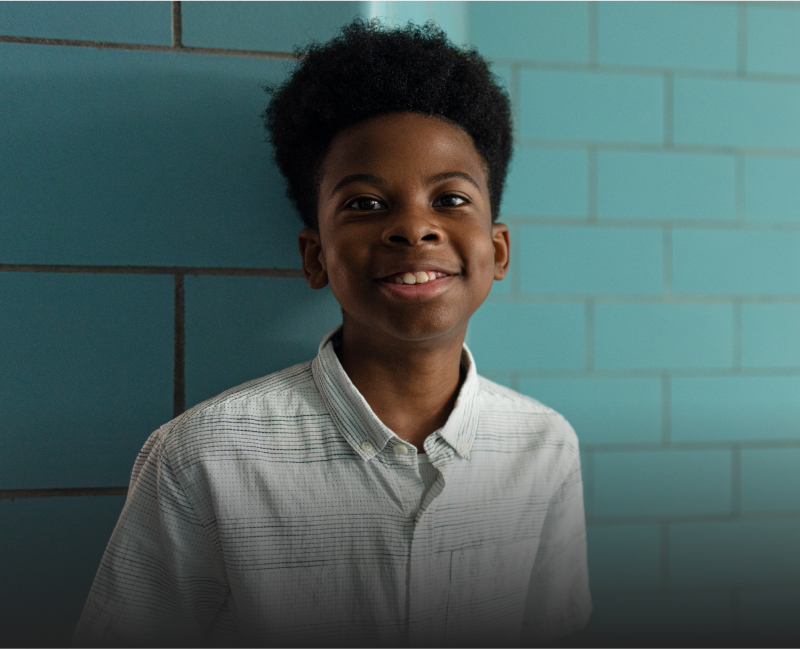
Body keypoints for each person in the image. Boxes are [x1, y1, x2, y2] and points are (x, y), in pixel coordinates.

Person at [73, 19, 591, 649]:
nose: (414, 229)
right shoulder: (203, 458)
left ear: (498, 249)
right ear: (315, 256)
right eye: (366, 204)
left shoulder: (545, 446)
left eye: (450, 199)